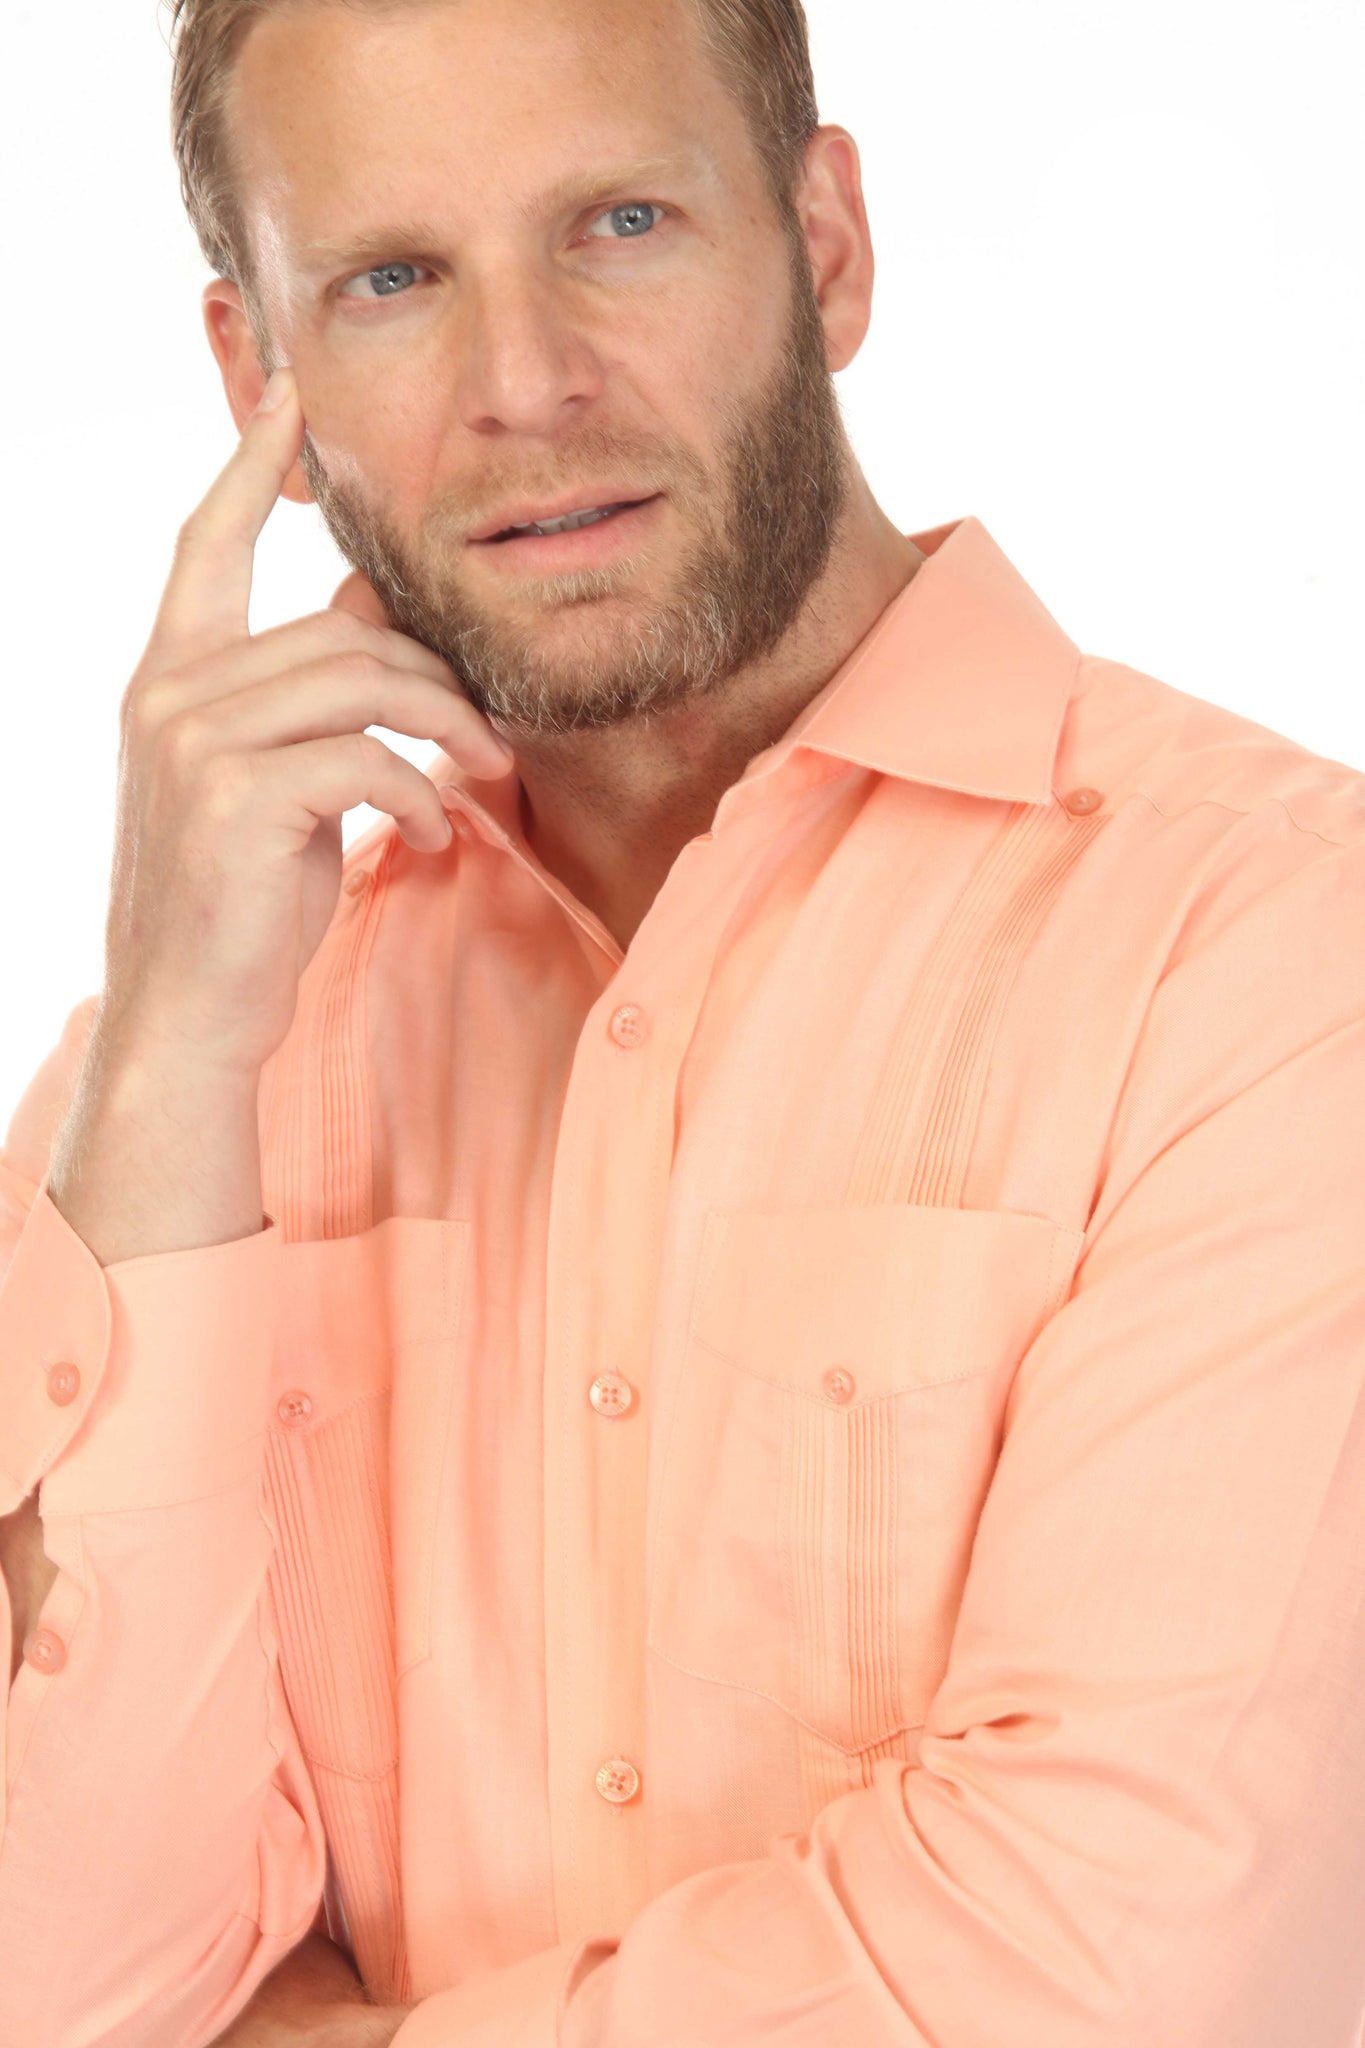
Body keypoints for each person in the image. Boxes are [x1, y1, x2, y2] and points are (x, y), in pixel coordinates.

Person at [1, 0, 1363, 2041]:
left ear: (825, 243)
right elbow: (52, 1979)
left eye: (619, 223)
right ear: (254, 374)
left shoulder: (1273, 949)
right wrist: (173, 1068)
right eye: (391, 279)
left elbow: (1112, 1976)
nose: (524, 383)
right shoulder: (172, 1101)